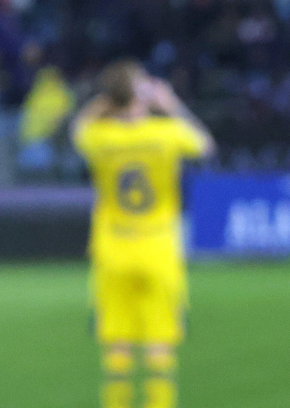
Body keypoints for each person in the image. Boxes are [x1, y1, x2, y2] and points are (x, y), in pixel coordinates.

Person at [73, 60, 214, 408]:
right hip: (159, 247)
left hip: (113, 248)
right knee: (160, 349)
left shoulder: (100, 137)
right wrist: (171, 105)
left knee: (117, 351)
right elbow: (206, 145)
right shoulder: (165, 133)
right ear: (142, 94)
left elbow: (76, 131)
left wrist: (103, 103)